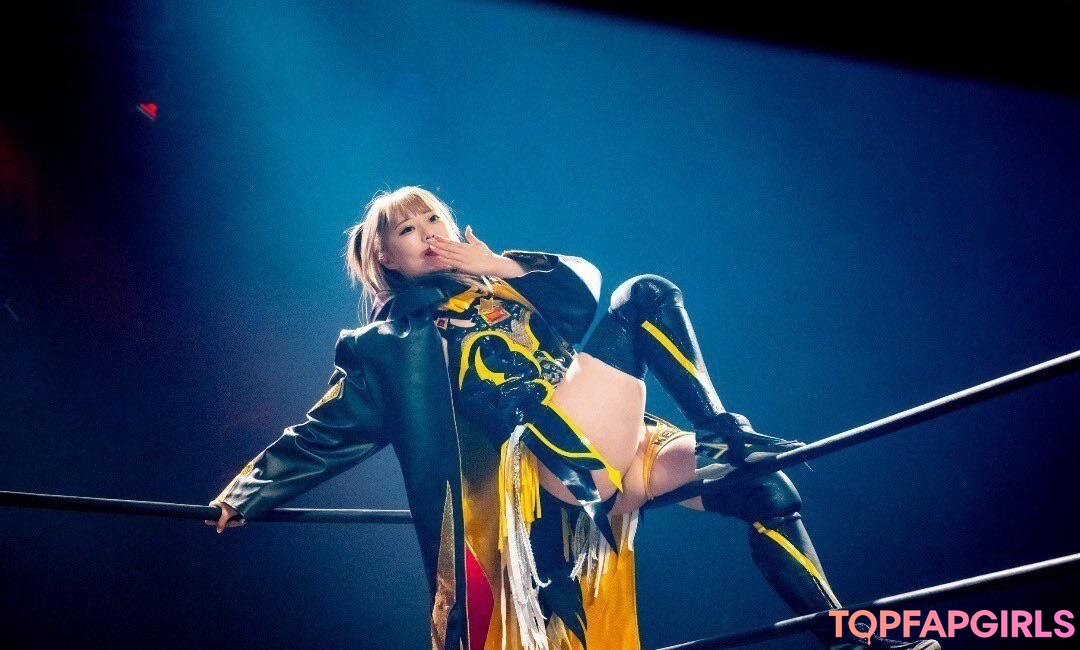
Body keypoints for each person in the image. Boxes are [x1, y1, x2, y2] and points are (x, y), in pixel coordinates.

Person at [206, 186, 939, 650]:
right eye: (406, 229)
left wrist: (499, 267)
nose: (427, 230)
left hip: (620, 440)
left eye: (433, 216)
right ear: (385, 259)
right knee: (643, 298)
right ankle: (725, 429)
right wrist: (249, 490)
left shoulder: (509, 284)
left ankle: (849, 637)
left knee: (765, 489)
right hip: (546, 469)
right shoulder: (387, 346)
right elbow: (326, 427)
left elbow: (579, 295)